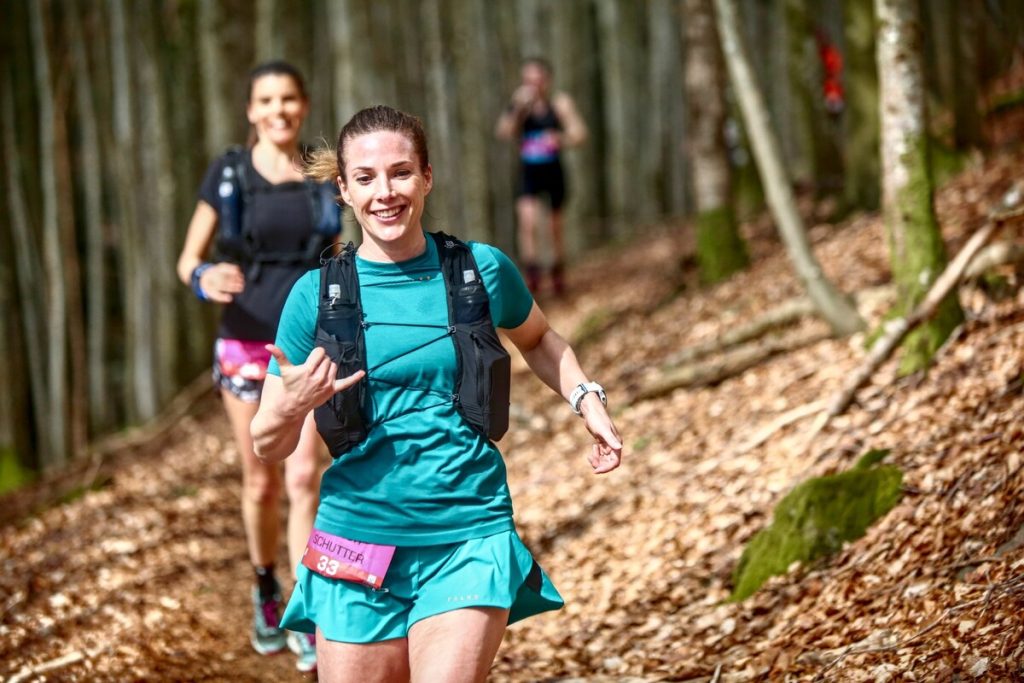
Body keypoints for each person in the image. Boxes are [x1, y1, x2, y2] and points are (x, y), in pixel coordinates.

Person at [250, 105, 622, 683]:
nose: (386, 193)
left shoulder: (479, 271)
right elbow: (267, 444)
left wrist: (586, 398)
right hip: (354, 541)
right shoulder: (313, 298)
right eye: (366, 179)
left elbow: (541, 338)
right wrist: (292, 404)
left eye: (401, 173)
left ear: (427, 176)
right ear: (343, 190)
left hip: (467, 535)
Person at [176, 60, 339, 673]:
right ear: (251, 110)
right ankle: (265, 586)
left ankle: (305, 607)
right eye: (266, 100)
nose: (278, 110)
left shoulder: (324, 172)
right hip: (244, 344)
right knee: (262, 481)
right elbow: (187, 258)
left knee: (303, 479)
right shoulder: (229, 172)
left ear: (304, 104)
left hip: (308, 346)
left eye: (289, 99)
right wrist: (202, 276)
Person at [495, 57, 587, 296]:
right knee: (527, 222)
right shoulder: (519, 107)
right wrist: (517, 108)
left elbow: (579, 133)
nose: (534, 85)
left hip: (553, 169)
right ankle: (532, 277)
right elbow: (503, 132)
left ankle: (557, 274)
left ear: (547, 81)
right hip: (528, 171)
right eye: (529, 80)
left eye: (538, 80)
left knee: (554, 226)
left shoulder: (560, 103)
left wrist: (559, 138)